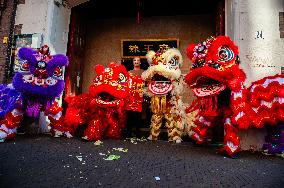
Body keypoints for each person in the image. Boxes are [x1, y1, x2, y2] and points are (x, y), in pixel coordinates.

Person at [125, 57, 145, 138]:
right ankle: (129, 133)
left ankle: (137, 134)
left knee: (138, 116)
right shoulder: (128, 72)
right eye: (134, 60)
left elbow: (147, 83)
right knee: (129, 115)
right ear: (133, 62)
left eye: (138, 60)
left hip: (139, 96)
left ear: (140, 62)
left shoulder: (144, 72)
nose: (136, 62)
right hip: (130, 96)